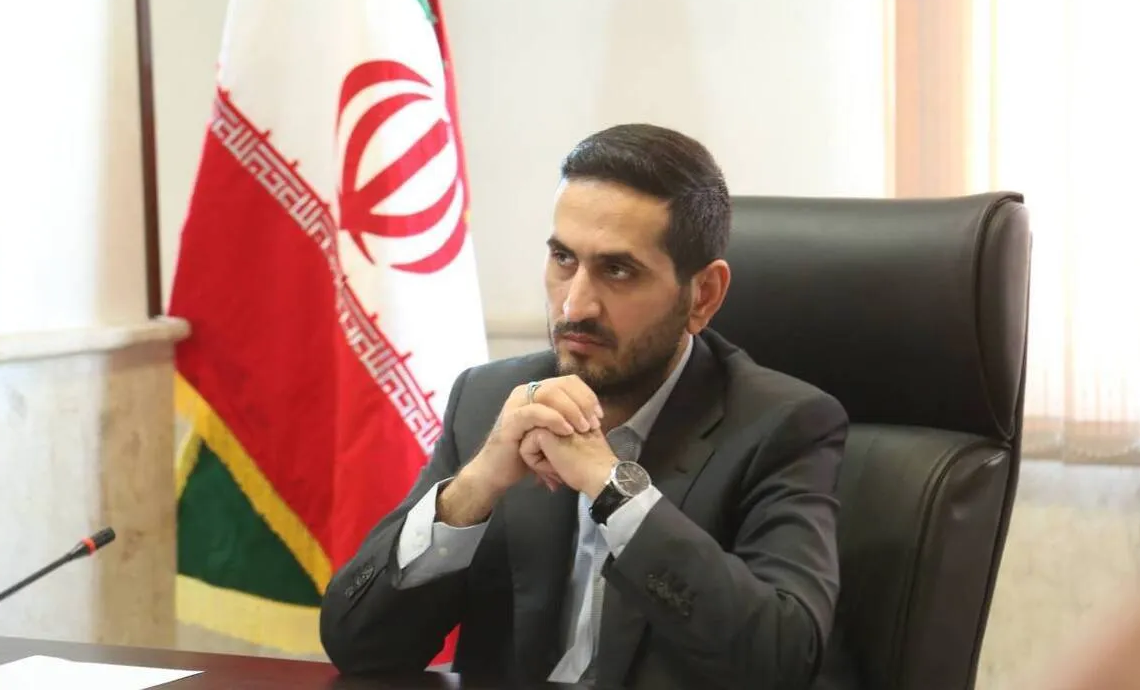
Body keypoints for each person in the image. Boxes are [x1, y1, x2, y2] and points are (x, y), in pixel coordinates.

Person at [319, 124, 850, 689]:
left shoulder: (783, 425)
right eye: (563, 259)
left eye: (618, 270)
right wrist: (473, 488)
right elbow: (358, 645)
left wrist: (613, 488)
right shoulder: (488, 400)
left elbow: (782, 659)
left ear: (703, 295)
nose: (575, 305)